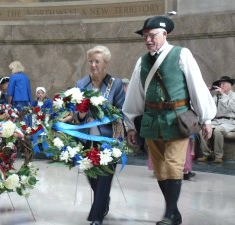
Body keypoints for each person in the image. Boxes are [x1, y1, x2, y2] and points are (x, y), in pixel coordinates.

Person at [122, 15, 216, 225]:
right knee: (160, 169)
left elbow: (197, 86)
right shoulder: (142, 61)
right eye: (145, 36)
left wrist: (207, 118)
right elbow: (135, 94)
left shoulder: (182, 54)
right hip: (152, 120)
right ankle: (174, 213)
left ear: (165, 34)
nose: (148, 40)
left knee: (174, 166)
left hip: (177, 119)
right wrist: (130, 124)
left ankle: (168, 215)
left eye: (152, 35)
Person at [75, 45, 125, 225]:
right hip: (86, 139)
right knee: (92, 176)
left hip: (108, 139)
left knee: (104, 177)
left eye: (97, 61)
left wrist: (103, 117)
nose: (93, 65)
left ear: (105, 63)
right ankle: (103, 202)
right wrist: (81, 115)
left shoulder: (116, 84)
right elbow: (75, 112)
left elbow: (120, 111)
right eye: (91, 61)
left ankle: (97, 216)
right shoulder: (81, 84)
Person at [198, 76, 235, 163]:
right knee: (202, 130)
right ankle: (206, 154)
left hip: (230, 122)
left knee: (218, 130)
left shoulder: (233, 96)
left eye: (223, 83)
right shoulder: (216, 97)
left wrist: (223, 95)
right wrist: (206, 92)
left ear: (230, 85)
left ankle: (218, 156)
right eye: (220, 84)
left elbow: (233, 107)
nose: (221, 85)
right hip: (217, 121)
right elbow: (208, 106)